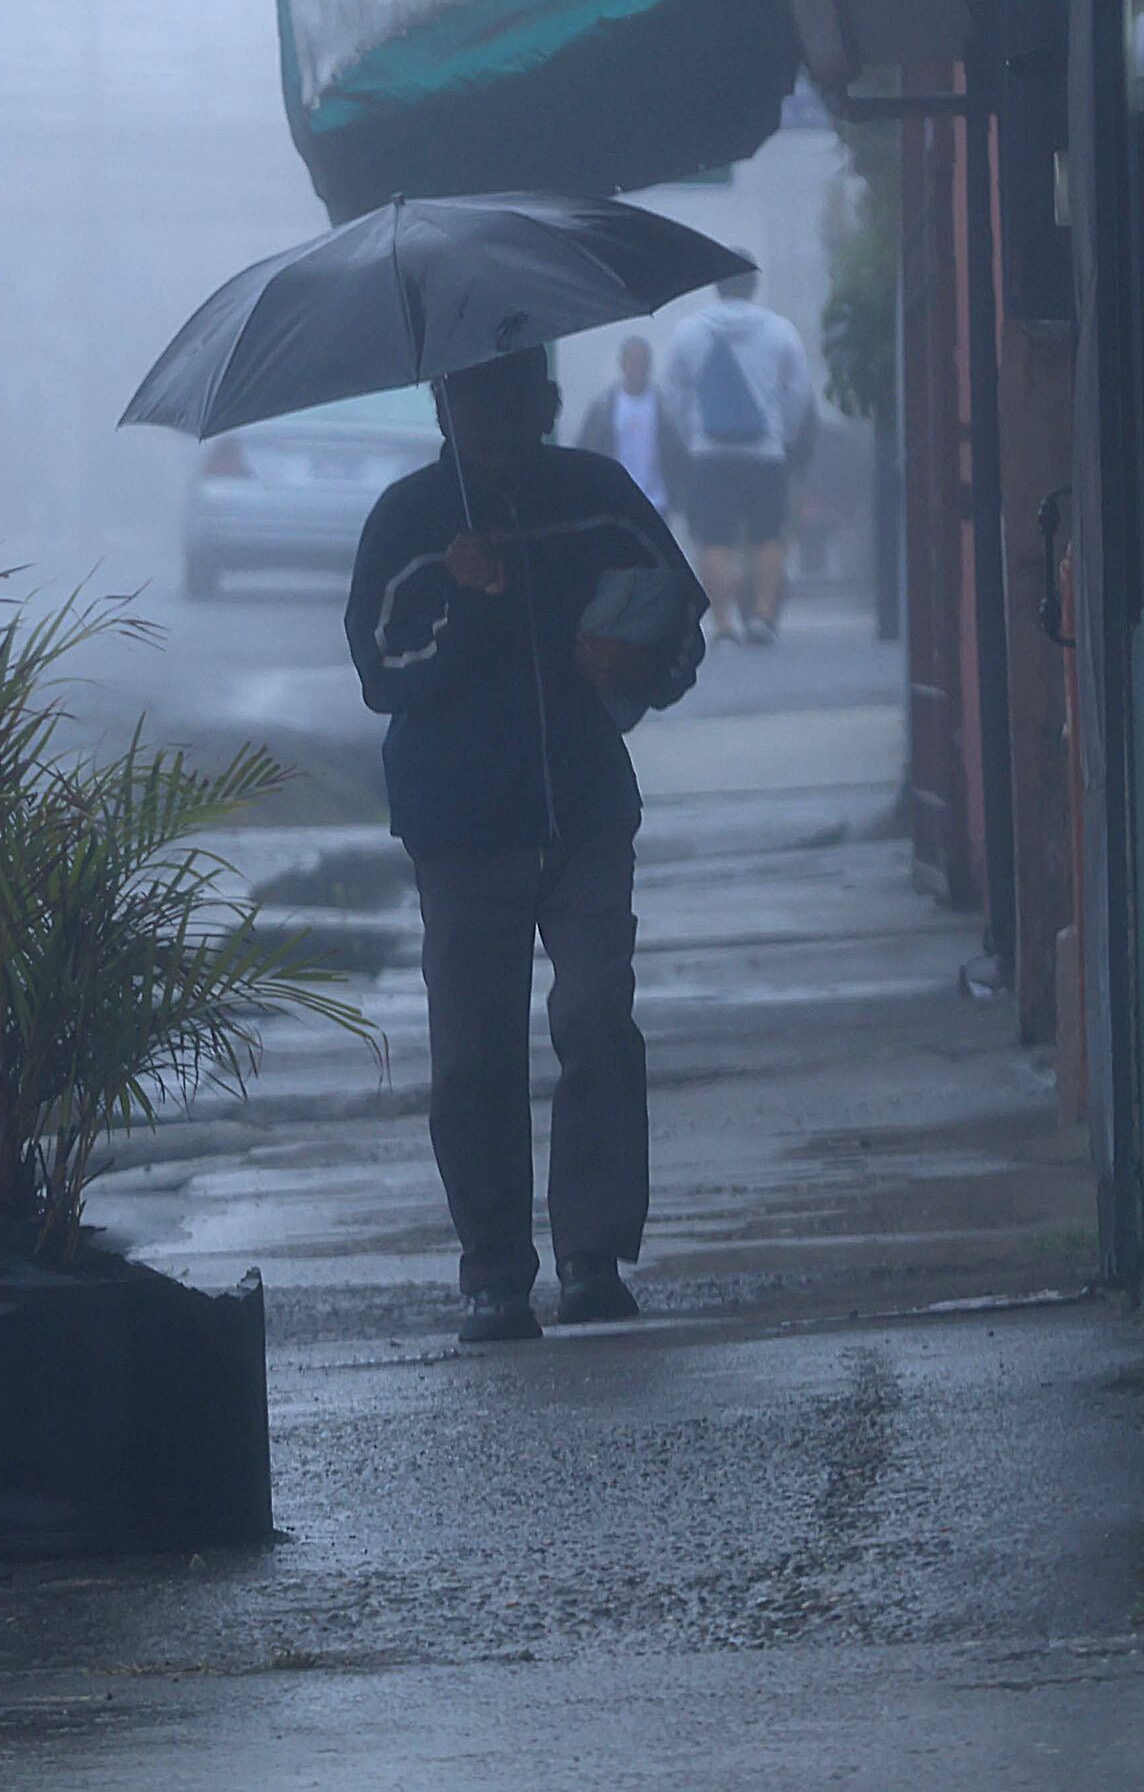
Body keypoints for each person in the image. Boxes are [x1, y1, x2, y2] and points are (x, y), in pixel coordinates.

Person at [345, 347, 707, 1347]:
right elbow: (381, 666)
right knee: (473, 1054)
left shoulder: (595, 496)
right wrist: (461, 596)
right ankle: (494, 1272)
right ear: (443, 406)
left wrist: (634, 663)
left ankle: (593, 1256)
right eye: (475, 402)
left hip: (586, 809)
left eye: (516, 402)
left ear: (544, 404)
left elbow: (678, 618)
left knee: (594, 1015)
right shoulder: (411, 521)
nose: (498, 424)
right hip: (459, 825)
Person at [660, 273, 816, 646]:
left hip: (709, 453)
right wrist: (784, 434)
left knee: (714, 539)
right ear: (753, 286)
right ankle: (762, 615)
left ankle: (724, 623)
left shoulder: (688, 332)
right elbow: (797, 392)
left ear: (717, 286)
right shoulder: (780, 331)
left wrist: (691, 434)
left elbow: (672, 393)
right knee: (768, 536)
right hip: (765, 453)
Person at [572, 334, 672, 512]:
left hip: (657, 502)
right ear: (622, 364)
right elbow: (587, 448)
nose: (638, 367)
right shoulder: (603, 407)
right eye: (633, 361)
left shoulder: (663, 406)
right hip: (615, 499)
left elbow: (677, 453)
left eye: (642, 361)